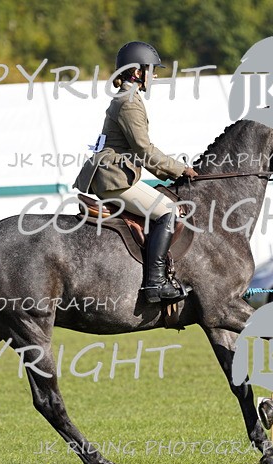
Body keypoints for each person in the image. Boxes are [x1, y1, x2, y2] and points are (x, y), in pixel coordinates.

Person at [73, 41, 199, 304]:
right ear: (137, 72)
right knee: (169, 211)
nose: (155, 75)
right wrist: (179, 169)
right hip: (114, 178)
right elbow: (144, 150)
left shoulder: (128, 97)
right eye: (151, 70)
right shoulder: (129, 102)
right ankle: (155, 284)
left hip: (114, 174)